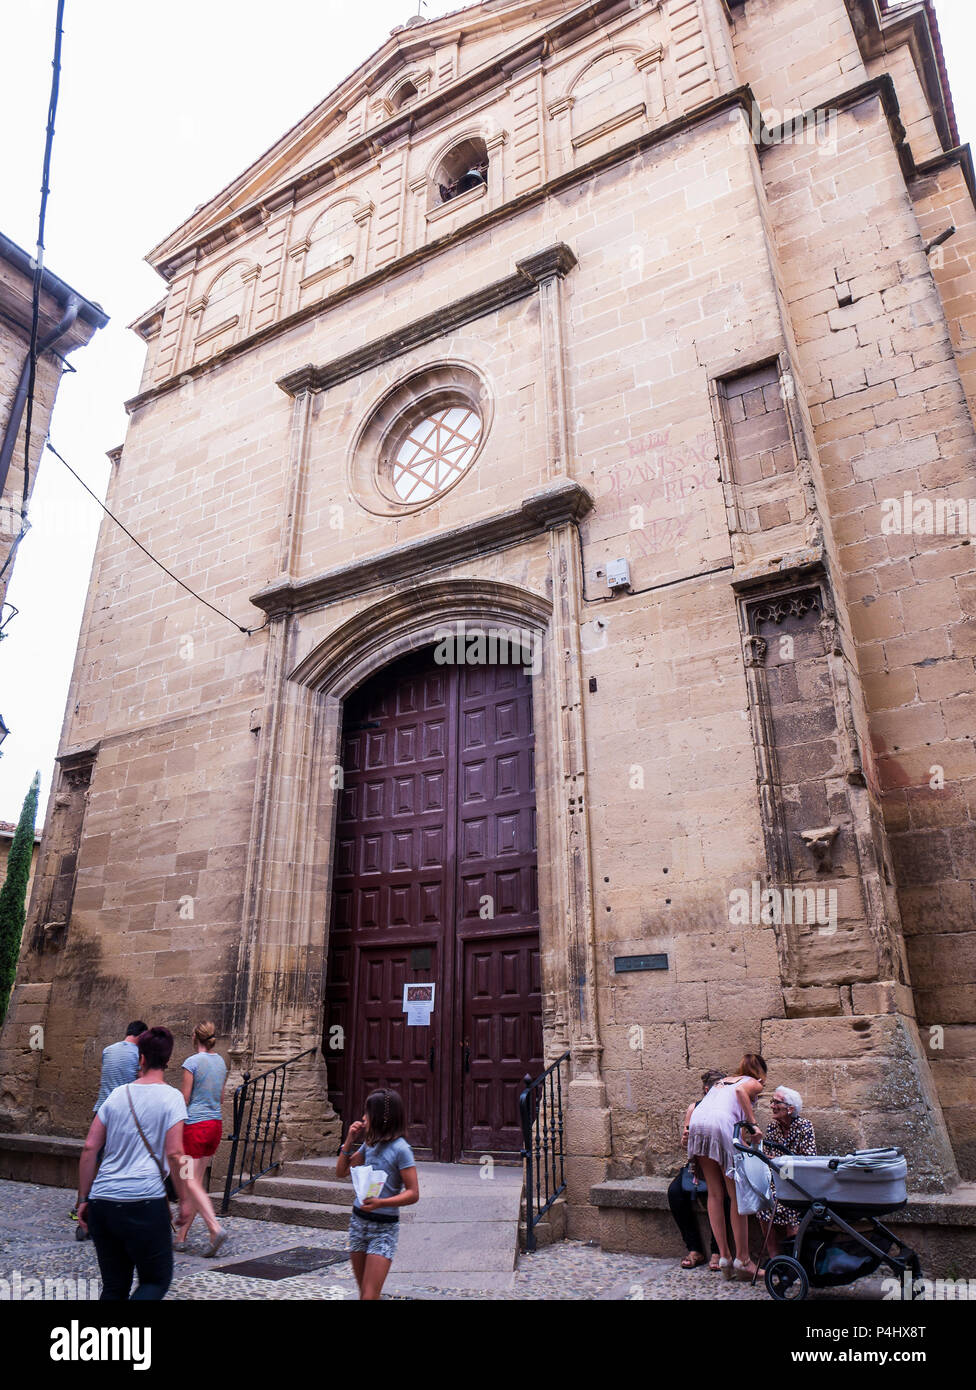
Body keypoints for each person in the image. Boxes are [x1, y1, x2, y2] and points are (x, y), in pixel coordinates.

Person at [76, 1026, 194, 1299]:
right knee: (154, 1281)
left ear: (140, 1058)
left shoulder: (117, 1095)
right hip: (144, 1200)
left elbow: (90, 1147)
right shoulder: (173, 1097)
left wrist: (84, 1198)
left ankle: (105, 1342)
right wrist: (185, 1198)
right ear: (167, 1060)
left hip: (103, 1201)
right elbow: (177, 1154)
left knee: (115, 1286)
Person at [686, 1051, 768, 1281]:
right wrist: (754, 1126)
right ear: (761, 1074)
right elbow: (742, 1094)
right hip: (720, 1126)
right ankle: (743, 1260)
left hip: (699, 1124)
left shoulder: (722, 1082)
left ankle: (724, 1257)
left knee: (714, 1193)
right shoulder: (753, 1083)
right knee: (736, 1195)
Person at [336, 1088, 419, 1300]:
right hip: (358, 1223)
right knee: (365, 1292)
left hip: (384, 1229)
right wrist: (349, 1139)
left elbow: (413, 1193)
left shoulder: (401, 1150)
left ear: (382, 1117)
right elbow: (341, 1171)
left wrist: (381, 1202)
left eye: (367, 1113)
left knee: (369, 1295)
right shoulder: (369, 1144)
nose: (363, 1118)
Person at [72, 1020, 148, 1236]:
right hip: (123, 1112)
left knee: (92, 1157)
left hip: (101, 1109)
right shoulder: (138, 1056)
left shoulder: (108, 1050)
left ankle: (80, 1204)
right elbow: (140, 1081)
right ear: (141, 1036)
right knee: (118, 1160)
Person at [174, 1021, 228, 1255]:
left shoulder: (192, 1062)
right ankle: (181, 1237)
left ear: (194, 1037)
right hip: (214, 1126)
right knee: (194, 1182)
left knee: (189, 1181)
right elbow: (222, 1097)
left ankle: (214, 1227)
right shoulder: (221, 1062)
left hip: (194, 1127)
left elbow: (184, 1098)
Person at [669, 1068, 730, 1270]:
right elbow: (685, 1145)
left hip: (721, 1165)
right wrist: (686, 1140)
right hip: (698, 1165)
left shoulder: (729, 1109)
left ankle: (717, 1250)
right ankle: (694, 1248)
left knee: (726, 1196)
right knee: (675, 1192)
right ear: (706, 1090)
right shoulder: (695, 1108)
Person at [757, 1086, 816, 1258]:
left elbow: (808, 1160)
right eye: (772, 1102)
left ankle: (794, 1258)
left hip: (798, 1182)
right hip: (777, 1180)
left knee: (790, 1208)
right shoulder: (772, 1127)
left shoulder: (804, 1127)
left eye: (777, 1102)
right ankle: (774, 1257)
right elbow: (768, 1157)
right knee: (762, 1204)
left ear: (790, 1109)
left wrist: (779, 1160)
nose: (772, 1106)